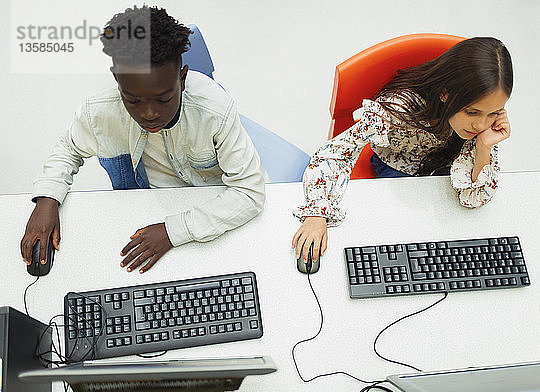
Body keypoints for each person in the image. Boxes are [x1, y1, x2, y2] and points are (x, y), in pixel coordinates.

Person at [20, 6, 266, 273]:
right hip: (143, 213)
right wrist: (47, 199)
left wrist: (172, 232)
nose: (149, 114)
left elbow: (249, 192)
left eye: (163, 99)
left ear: (182, 78)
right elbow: (68, 149)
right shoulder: (99, 112)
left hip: (212, 214)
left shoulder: (214, 110)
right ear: (117, 80)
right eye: (133, 100)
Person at [292, 37, 513, 264]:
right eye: (472, 112)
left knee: (460, 232)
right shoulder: (397, 110)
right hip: (398, 163)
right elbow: (334, 153)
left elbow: (474, 197)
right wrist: (316, 213)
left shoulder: (480, 125)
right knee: (405, 239)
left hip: (441, 164)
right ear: (446, 94)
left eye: (494, 112)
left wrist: (484, 146)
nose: (480, 125)